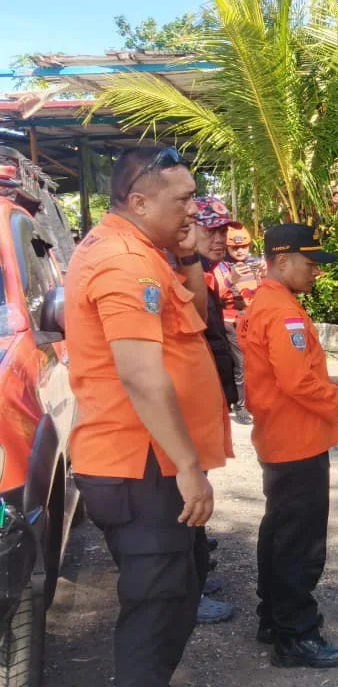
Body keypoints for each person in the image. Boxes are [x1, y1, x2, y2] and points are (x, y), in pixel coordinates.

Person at [66, 145, 224, 687]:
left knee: (180, 587)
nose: (194, 210)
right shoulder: (124, 262)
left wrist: (187, 257)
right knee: (157, 610)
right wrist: (188, 466)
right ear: (139, 202)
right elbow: (139, 374)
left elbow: (195, 318)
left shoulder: (145, 252)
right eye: (183, 199)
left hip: (151, 461)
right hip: (141, 465)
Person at [238, 224, 338, 669]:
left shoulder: (268, 303)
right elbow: (295, 383)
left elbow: (283, 373)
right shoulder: (281, 311)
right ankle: (296, 636)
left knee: (279, 531)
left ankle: (274, 619)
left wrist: (328, 381)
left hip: (281, 436)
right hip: (297, 440)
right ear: (282, 260)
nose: (316, 272)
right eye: (310, 264)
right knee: (300, 543)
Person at [190, 196, 240, 626]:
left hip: (207, 400)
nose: (220, 238)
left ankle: (197, 574)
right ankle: (188, 590)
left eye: (223, 230)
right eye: (211, 230)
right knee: (185, 498)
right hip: (187, 408)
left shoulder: (207, 276)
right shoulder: (181, 277)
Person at [214, 222, 265, 425]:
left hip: (252, 321)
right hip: (230, 321)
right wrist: (231, 279)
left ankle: (253, 400)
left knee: (256, 363)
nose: (240, 251)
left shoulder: (257, 264)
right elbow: (212, 295)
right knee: (240, 364)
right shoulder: (220, 267)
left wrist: (264, 275)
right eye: (235, 247)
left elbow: (265, 292)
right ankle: (240, 405)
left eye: (244, 246)